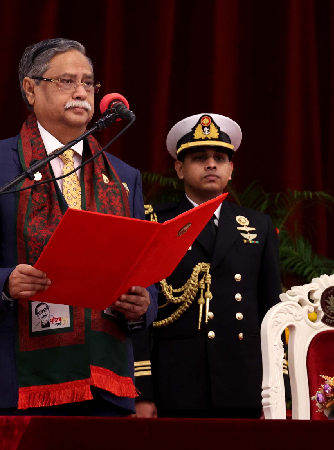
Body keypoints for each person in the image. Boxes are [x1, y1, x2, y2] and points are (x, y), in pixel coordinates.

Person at [0, 38, 157, 416]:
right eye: (66, 81)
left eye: (88, 82)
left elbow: (145, 273)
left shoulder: (123, 176)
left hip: (106, 381)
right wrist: (6, 282)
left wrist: (142, 304)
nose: (81, 92)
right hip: (26, 382)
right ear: (30, 88)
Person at [133, 113, 282, 419]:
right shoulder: (154, 222)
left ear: (231, 168)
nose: (211, 164)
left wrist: (277, 390)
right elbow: (138, 314)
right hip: (175, 382)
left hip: (244, 382)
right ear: (179, 168)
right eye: (199, 157)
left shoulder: (258, 226)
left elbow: (271, 312)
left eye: (220, 157)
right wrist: (142, 390)